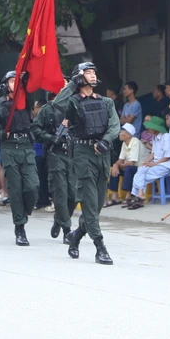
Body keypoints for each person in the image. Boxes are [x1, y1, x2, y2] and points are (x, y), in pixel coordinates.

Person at [55, 62, 120, 264]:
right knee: (90, 202)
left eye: (93, 72)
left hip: (102, 153)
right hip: (82, 153)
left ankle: (76, 235)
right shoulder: (73, 102)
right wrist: (71, 85)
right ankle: (100, 247)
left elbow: (115, 125)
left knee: (98, 204)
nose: (92, 75)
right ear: (79, 77)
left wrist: (105, 141)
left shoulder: (106, 102)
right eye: (87, 73)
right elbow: (58, 104)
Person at [0, 71, 40, 246]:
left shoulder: (26, 101)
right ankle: (20, 227)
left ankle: (24, 212)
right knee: (15, 189)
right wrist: (0, 133)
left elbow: (30, 90)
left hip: (26, 146)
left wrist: (24, 78)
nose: (14, 83)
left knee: (32, 186)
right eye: (11, 81)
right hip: (9, 147)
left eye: (16, 81)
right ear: (4, 85)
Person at [32, 89, 78, 241]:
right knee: (60, 193)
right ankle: (66, 229)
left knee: (74, 195)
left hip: (73, 154)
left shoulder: (77, 107)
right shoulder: (48, 109)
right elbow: (35, 129)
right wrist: (50, 138)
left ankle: (59, 218)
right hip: (55, 153)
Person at [128, 116, 170, 210]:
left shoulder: (166, 137)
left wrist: (153, 164)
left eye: (150, 127)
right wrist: (146, 162)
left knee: (141, 174)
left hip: (166, 164)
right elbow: (153, 153)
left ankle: (138, 196)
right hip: (157, 163)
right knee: (141, 169)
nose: (148, 128)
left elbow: (167, 156)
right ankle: (140, 195)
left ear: (155, 128)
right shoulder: (155, 137)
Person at [102, 123, 144, 208]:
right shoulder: (125, 143)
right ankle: (115, 197)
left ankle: (128, 196)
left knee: (128, 168)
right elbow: (121, 159)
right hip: (129, 168)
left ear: (128, 134)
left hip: (140, 169)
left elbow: (131, 162)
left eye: (121, 132)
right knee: (114, 170)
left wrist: (119, 165)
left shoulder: (135, 142)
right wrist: (115, 165)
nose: (119, 134)